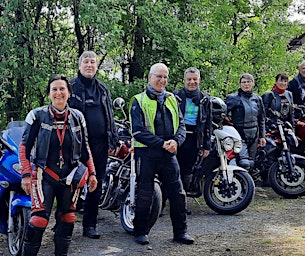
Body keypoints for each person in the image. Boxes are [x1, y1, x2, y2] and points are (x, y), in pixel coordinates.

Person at [19, 74, 98, 255]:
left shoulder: (78, 117)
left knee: (68, 218)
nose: (58, 93)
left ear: (69, 92)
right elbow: (24, 147)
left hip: (70, 177)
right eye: (54, 89)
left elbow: (85, 148)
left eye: (62, 89)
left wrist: (92, 173)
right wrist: (25, 174)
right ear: (49, 94)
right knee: (38, 220)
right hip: (44, 175)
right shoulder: (36, 116)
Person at [129, 63, 194, 245]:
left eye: (165, 77)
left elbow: (181, 126)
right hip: (146, 153)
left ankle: (180, 232)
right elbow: (138, 131)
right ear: (150, 78)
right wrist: (162, 143)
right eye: (159, 76)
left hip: (169, 153)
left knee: (178, 194)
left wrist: (176, 141)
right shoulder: (138, 101)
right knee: (145, 194)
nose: (162, 80)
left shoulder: (173, 99)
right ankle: (140, 231)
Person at [68, 51, 118, 239]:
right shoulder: (70, 87)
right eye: (86, 62)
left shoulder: (103, 89)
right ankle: (64, 225)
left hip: (99, 145)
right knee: (68, 184)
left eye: (93, 62)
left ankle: (90, 225)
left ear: (97, 66)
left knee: (95, 184)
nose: (89, 65)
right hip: (73, 145)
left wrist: (113, 139)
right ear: (80, 65)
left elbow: (110, 117)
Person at [174, 67, 212, 196]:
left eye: (194, 79)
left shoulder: (205, 99)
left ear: (199, 80)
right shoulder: (176, 97)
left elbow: (208, 124)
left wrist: (207, 146)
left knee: (187, 170)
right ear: (184, 80)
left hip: (195, 138)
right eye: (189, 79)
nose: (192, 82)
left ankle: (181, 202)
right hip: (178, 137)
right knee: (173, 170)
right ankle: (163, 203)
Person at [226, 73, 266, 161]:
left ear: (253, 83)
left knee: (253, 162)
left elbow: (261, 118)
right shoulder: (233, 98)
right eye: (243, 82)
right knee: (244, 162)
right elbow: (222, 114)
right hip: (239, 135)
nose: (246, 84)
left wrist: (262, 136)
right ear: (240, 84)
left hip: (254, 136)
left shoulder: (257, 99)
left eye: (248, 82)